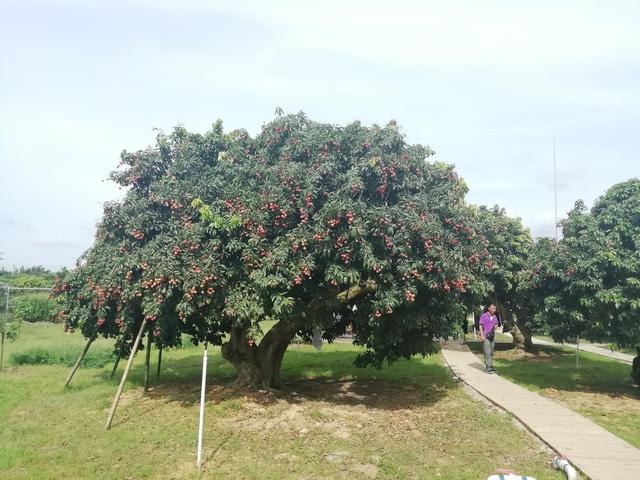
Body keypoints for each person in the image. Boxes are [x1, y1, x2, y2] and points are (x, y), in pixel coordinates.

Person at [479, 304, 499, 374]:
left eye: (495, 309)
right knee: (487, 352)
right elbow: (480, 326)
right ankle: (488, 368)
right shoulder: (484, 316)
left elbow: (496, 324)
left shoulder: (495, 317)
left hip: (492, 336)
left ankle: (490, 366)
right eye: (493, 308)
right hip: (485, 336)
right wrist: (482, 335)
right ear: (489, 308)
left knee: (491, 352)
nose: (494, 310)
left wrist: (495, 326)